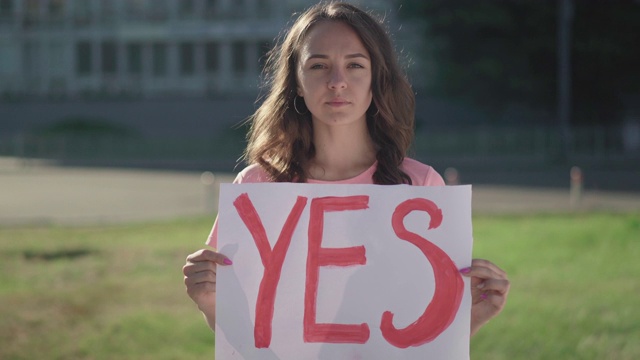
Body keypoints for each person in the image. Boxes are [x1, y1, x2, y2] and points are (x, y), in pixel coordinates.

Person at [183, 1, 510, 339]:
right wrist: (209, 302)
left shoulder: (421, 186)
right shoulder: (256, 186)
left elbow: (426, 343)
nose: (337, 82)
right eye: (319, 65)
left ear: (376, 78)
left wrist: (471, 318)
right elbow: (248, 335)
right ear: (296, 81)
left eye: (354, 65)